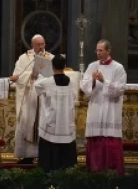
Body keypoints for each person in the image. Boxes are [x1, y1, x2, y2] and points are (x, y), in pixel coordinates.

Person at [80, 39, 127, 175]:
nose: (98, 53)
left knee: (110, 140)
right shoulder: (92, 66)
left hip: (110, 109)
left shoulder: (118, 68)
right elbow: (84, 85)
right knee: (95, 139)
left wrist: (103, 81)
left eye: (101, 50)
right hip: (95, 106)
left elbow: (120, 89)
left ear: (108, 51)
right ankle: (94, 171)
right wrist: (93, 81)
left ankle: (112, 172)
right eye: (97, 50)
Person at [11, 34, 54, 164]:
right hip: (29, 96)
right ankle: (27, 155)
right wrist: (31, 74)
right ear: (32, 45)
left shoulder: (50, 58)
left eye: (43, 44)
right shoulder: (24, 58)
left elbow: (54, 75)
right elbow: (16, 76)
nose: (41, 47)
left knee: (44, 123)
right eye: (38, 44)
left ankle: (44, 154)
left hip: (44, 97)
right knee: (26, 122)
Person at [35, 54, 77, 172]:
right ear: (65, 66)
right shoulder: (72, 82)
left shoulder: (46, 82)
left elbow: (36, 86)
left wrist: (42, 72)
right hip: (66, 124)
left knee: (49, 163)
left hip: (51, 124)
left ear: (52, 66)